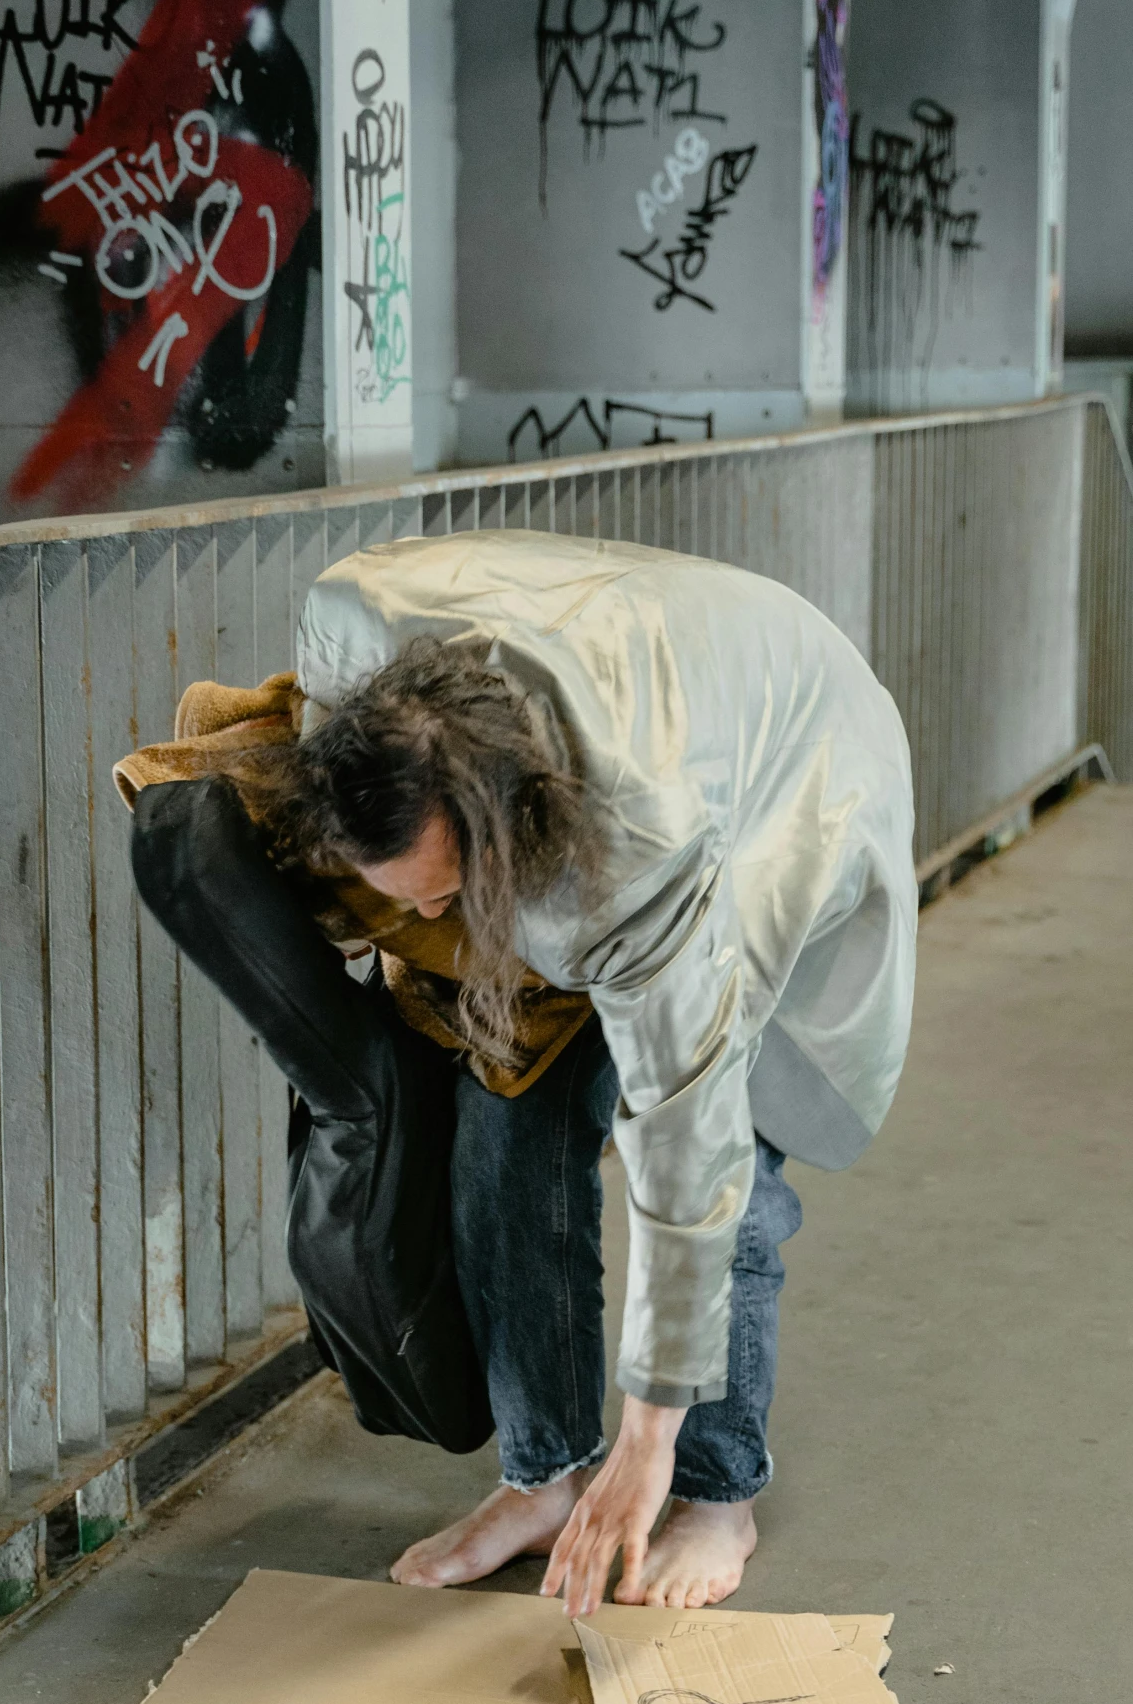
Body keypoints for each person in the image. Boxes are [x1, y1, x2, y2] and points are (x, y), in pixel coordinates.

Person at [123, 529, 917, 1619]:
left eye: (442, 896)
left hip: (794, 764)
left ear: (506, 832)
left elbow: (689, 1154)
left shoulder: (639, 852)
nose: (424, 921)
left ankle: (715, 1490)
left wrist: (648, 1435)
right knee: (506, 1125)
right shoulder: (343, 639)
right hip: (605, 686)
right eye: (403, 895)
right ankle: (544, 1476)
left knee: (731, 1180)